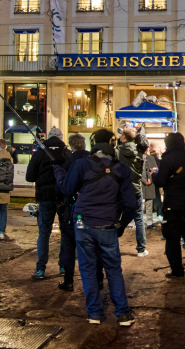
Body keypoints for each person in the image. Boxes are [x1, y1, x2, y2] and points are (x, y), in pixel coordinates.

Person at [53, 130, 138, 327]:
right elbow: (131, 204)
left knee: (88, 268)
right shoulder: (122, 169)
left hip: (83, 222)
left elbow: (67, 189)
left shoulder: (82, 164)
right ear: (112, 145)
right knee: (113, 269)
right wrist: (121, 225)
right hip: (108, 224)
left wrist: (58, 172)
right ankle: (123, 313)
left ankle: (95, 313)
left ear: (93, 145)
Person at [154, 132, 185, 279]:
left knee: (172, 237)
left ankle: (177, 269)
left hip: (172, 203)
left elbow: (161, 181)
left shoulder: (167, 159)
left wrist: (154, 176)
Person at [25, 127, 70, 278]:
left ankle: (41, 268)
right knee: (65, 232)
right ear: (61, 137)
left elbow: (29, 177)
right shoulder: (67, 153)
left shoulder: (40, 153)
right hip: (63, 197)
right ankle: (64, 266)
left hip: (44, 196)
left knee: (44, 233)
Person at [56, 133, 90, 292]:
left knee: (69, 245)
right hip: (90, 209)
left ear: (71, 145)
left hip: (72, 209)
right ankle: (96, 280)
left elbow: (65, 189)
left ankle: (68, 280)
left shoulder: (68, 164)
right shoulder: (92, 161)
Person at [116, 127, 148, 257]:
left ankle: (113, 243)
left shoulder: (117, 152)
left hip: (121, 189)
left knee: (115, 215)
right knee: (139, 218)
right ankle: (141, 248)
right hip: (136, 189)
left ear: (123, 137)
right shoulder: (139, 152)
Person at [142, 147, 159, 226]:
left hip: (150, 184)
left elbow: (156, 169)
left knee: (149, 205)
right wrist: (144, 180)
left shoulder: (151, 158)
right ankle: (140, 223)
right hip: (140, 185)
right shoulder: (137, 159)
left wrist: (151, 178)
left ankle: (149, 222)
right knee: (139, 205)